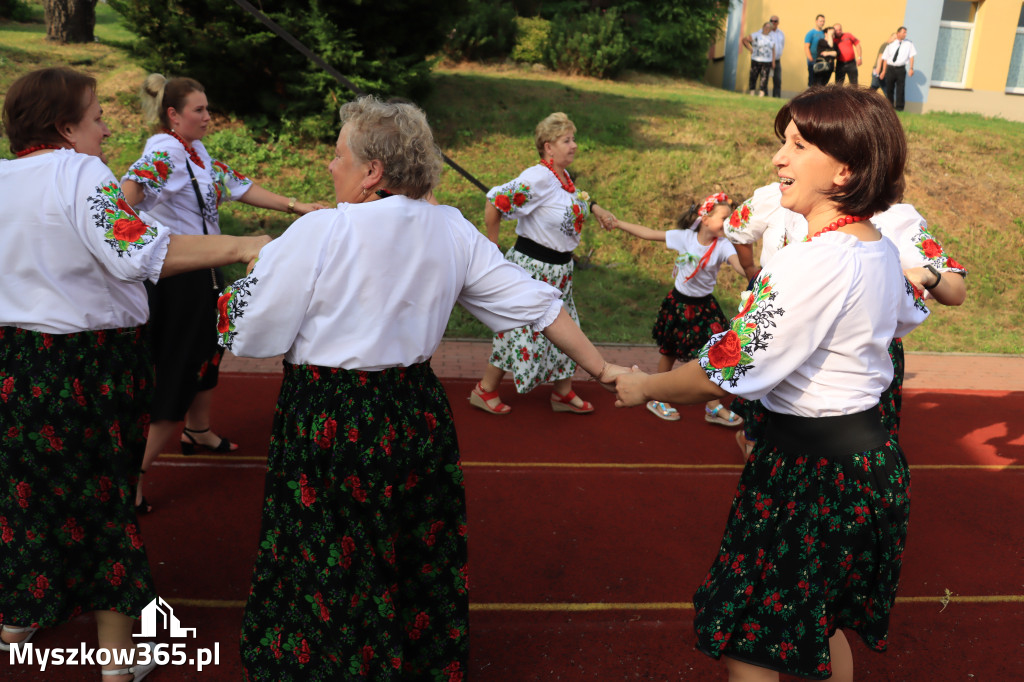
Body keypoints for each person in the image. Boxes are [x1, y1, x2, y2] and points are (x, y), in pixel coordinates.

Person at [216, 95, 625, 680]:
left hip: (330, 414)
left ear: (372, 171)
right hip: (413, 411)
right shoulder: (449, 228)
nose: (331, 167)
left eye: (339, 156)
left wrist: (243, 281)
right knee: (409, 549)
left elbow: (249, 333)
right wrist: (605, 370)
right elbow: (539, 306)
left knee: (330, 556)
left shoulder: (320, 230)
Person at [613, 85, 930, 681]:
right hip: (864, 464)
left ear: (847, 170)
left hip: (812, 474)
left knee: (750, 642)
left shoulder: (819, 259)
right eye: (784, 143)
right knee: (822, 626)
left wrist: (643, 388)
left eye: (798, 145)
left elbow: (727, 371)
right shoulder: (876, 249)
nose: (779, 159)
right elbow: (912, 310)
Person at [0, 67, 267, 679]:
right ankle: (121, 656)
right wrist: (243, 245)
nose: (107, 125)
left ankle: (19, 612)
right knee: (104, 497)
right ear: (64, 128)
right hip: (87, 363)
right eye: (96, 116)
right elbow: (140, 250)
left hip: (18, 362)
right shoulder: (77, 171)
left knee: (29, 490)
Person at [120, 74, 326, 514]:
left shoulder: (195, 153)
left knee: (208, 351)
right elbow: (129, 193)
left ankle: (198, 431)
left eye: (208, 108)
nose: (208, 117)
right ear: (173, 115)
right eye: (199, 110)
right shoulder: (166, 150)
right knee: (181, 365)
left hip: (203, 270)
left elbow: (237, 184)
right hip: (180, 279)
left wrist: (297, 206)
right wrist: (135, 231)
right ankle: (133, 475)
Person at [725, 186, 968, 456]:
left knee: (850, 455)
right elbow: (737, 228)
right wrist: (752, 272)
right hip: (782, 334)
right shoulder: (779, 195)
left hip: (856, 352)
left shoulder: (891, 218)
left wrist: (926, 275)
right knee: (767, 445)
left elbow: (955, 289)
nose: (781, 159)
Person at [469, 112, 618, 415]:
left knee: (568, 330)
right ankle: (484, 390)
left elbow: (574, 197)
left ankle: (562, 392)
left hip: (560, 272)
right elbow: (495, 201)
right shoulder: (538, 177)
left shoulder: (561, 177)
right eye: (567, 140)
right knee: (518, 331)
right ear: (548, 146)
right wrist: (493, 249)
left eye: (573, 139)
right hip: (533, 269)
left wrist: (596, 207)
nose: (574, 145)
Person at [613, 194, 746, 425]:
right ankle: (656, 397)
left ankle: (712, 406)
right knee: (669, 350)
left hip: (705, 307)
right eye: (724, 218)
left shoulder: (723, 245)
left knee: (716, 351)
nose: (728, 224)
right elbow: (648, 233)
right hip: (679, 304)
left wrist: (757, 272)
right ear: (705, 218)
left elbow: (740, 266)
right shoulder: (685, 238)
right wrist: (617, 223)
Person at [882, 26, 916, 111]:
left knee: (900, 88)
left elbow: (911, 56)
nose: (905, 34)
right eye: (903, 32)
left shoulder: (909, 44)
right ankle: (890, 107)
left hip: (901, 69)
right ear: (898, 33)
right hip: (890, 68)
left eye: (906, 32)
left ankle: (900, 107)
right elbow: (885, 58)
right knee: (889, 88)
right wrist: (883, 71)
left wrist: (911, 68)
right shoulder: (891, 44)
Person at [743, 22, 777, 97]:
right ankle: (752, 92)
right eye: (766, 27)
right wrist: (750, 49)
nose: (767, 29)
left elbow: (773, 50)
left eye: (769, 28)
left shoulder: (772, 38)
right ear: (763, 27)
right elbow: (745, 40)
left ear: (770, 30)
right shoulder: (756, 35)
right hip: (756, 59)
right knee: (753, 76)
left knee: (764, 77)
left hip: (767, 60)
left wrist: (773, 61)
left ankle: (761, 93)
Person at [803, 14, 826, 86]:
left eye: (823, 21)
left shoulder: (824, 33)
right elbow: (806, 46)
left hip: (821, 60)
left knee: (820, 81)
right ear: (816, 21)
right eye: (820, 21)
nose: (822, 23)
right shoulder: (811, 33)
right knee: (812, 79)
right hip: (812, 60)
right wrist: (810, 58)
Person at [769, 15, 784, 97]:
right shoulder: (766, 31)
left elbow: (782, 45)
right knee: (765, 79)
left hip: (777, 60)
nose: (773, 22)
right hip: (767, 60)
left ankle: (776, 96)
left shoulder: (781, 33)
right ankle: (764, 96)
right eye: (771, 20)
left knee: (777, 80)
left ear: (778, 23)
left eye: (775, 21)